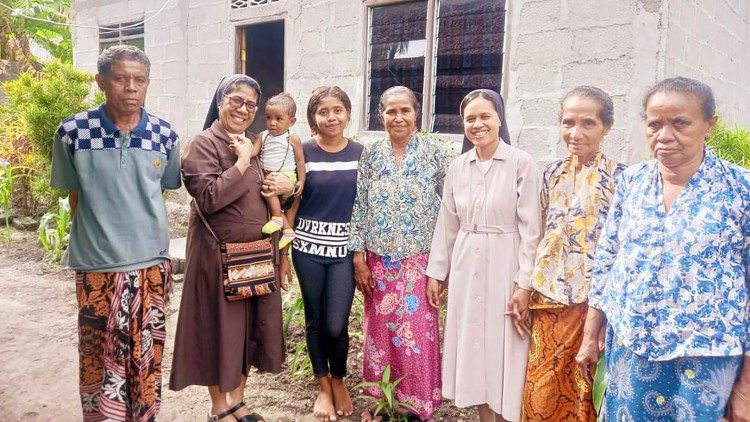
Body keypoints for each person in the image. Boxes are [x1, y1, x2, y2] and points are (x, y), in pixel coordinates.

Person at [577, 77, 750, 422]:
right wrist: (590, 335)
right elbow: (609, 258)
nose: (665, 136)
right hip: (632, 349)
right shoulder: (633, 181)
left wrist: (745, 388)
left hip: (706, 359)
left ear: (709, 126)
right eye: (654, 124)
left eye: (680, 123)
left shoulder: (740, 189)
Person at [51, 45, 181, 422]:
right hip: (96, 266)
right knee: (96, 354)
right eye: (121, 78)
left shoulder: (165, 135)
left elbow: (163, 186)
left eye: (139, 80)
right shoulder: (73, 132)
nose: (131, 87)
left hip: (151, 263)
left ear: (148, 84)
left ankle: (144, 417)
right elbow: (75, 195)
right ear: (101, 82)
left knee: (146, 353)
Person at [169, 74, 293, 422]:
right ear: (220, 101)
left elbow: (269, 190)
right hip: (217, 257)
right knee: (220, 329)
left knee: (247, 329)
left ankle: (238, 401)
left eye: (251, 104)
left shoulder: (254, 143)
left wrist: (287, 186)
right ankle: (219, 407)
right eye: (235, 100)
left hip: (256, 254)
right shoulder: (203, 143)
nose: (243, 109)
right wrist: (241, 161)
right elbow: (209, 198)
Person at [425, 89, 542, 422]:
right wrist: (437, 272)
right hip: (466, 261)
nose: (477, 124)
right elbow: (446, 223)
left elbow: (531, 229)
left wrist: (524, 283)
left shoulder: (521, 163)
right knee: (473, 345)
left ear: (499, 119)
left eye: (485, 116)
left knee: (504, 348)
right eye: (470, 118)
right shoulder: (458, 167)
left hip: (505, 262)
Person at [521, 86, 626, 421]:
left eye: (588, 123)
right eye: (568, 122)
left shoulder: (620, 179)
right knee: (541, 389)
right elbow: (538, 233)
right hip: (547, 299)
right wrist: (525, 287)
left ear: (606, 127)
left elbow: (621, 248)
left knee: (584, 392)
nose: (575, 132)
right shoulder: (551, 173)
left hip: (590, 304)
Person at [349, 85, 451, 421]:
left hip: (419, 261)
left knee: (416, 336)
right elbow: (361, 204)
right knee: (380, 334)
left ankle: (416, 407)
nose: (398, 117)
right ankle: (384, 404)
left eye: (405, 110)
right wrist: (358, 255)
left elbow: (451, 209)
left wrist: (442, 266)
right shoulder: (372, 154)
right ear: (381, 114)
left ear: (416, 113)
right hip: (379, 261)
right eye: (391, 111)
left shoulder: (434, 154)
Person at [290, 86, 364, 422]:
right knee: (315, 320)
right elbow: (289, 199)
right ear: (312, 118)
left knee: (336, 325)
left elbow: (367, 206)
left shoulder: (363, 154)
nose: (331, 117)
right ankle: (323, 386)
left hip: (343, 252)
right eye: (323, 111)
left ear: (348, 114)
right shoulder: (302, 151)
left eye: (338, 110)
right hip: (307, 249)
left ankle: (340, 380)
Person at [259, 92, 305, 249]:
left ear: (291, 121)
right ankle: (287, 230)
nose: (272, 123)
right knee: (268, 191)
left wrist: (301, 181)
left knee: (268, 190)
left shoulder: (292, 138)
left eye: (278, 119)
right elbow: (253, 153)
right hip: (269, 175)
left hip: (286, 175)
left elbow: (300, 161)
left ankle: (278, 220)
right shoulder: (263, 136)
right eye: (268, 117)